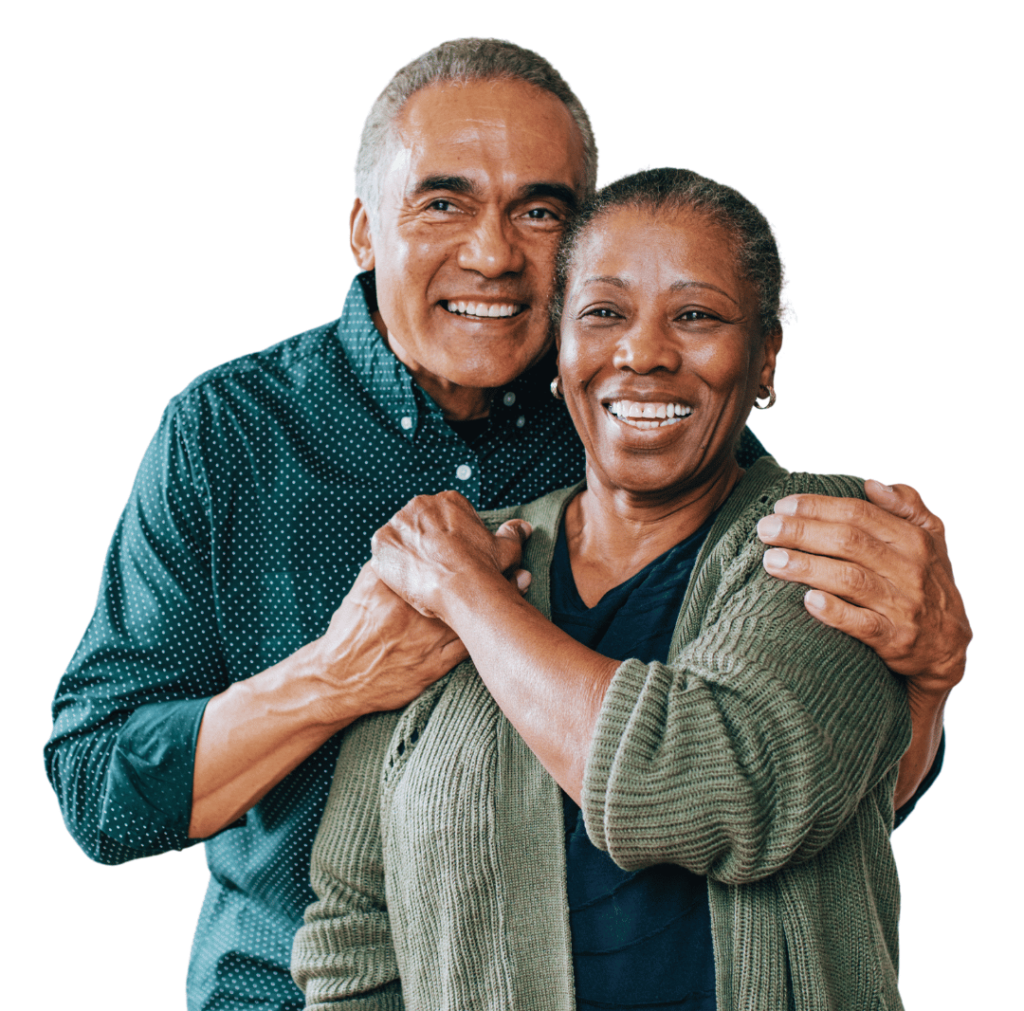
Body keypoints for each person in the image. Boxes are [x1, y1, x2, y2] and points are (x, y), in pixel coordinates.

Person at [45, 40, 968, 1011]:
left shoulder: (640, 424)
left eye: (539, 212)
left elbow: (794, 795)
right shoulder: (229, 433)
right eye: (443, 204)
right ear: (363, 230)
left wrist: (929, 679)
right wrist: (333, 678)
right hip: (283, 984)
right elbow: (101, 791)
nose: (492, 254)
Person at [295, 167, 917, 1010]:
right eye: (603, 314)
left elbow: (715, 794)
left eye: (695, 316)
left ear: (765, 355)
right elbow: (354, 926)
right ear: (559, 353)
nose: (643, 352)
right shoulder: (452, 559)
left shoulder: (828, 539)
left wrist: (469, 596)